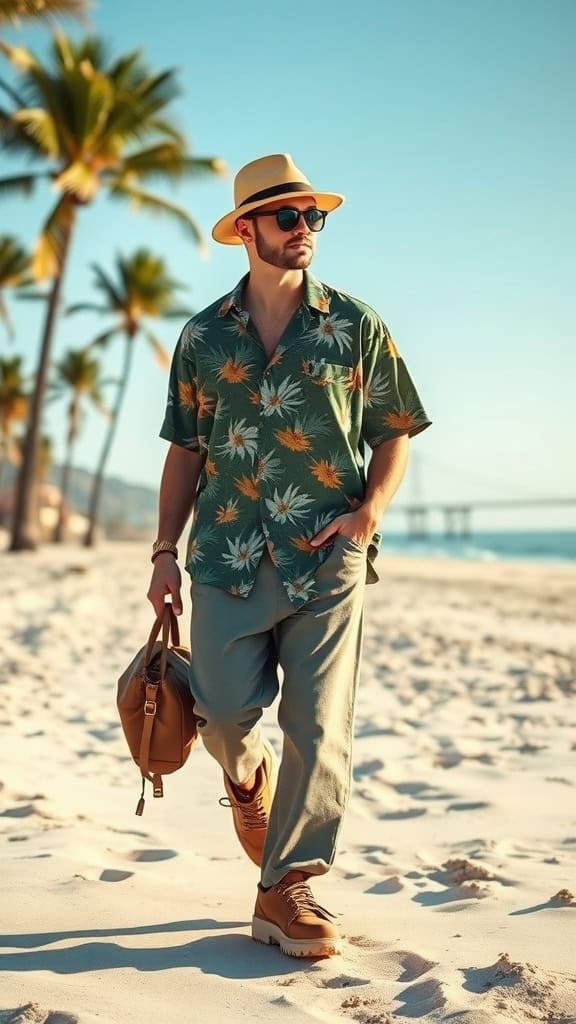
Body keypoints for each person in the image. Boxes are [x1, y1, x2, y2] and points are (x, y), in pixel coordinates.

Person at [147, 153, 431, 958]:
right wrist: (164, 553)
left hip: (327, 554)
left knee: (318, 725)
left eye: (314, 217)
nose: (304, 230)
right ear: (247, 230)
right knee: (226, 712)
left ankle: (287, 887)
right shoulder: (202, 337)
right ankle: (246, 780)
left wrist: (369, 514)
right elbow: (185, 452)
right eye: (287, 217)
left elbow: (393, 431)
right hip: (226, 555)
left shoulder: (356, 325)